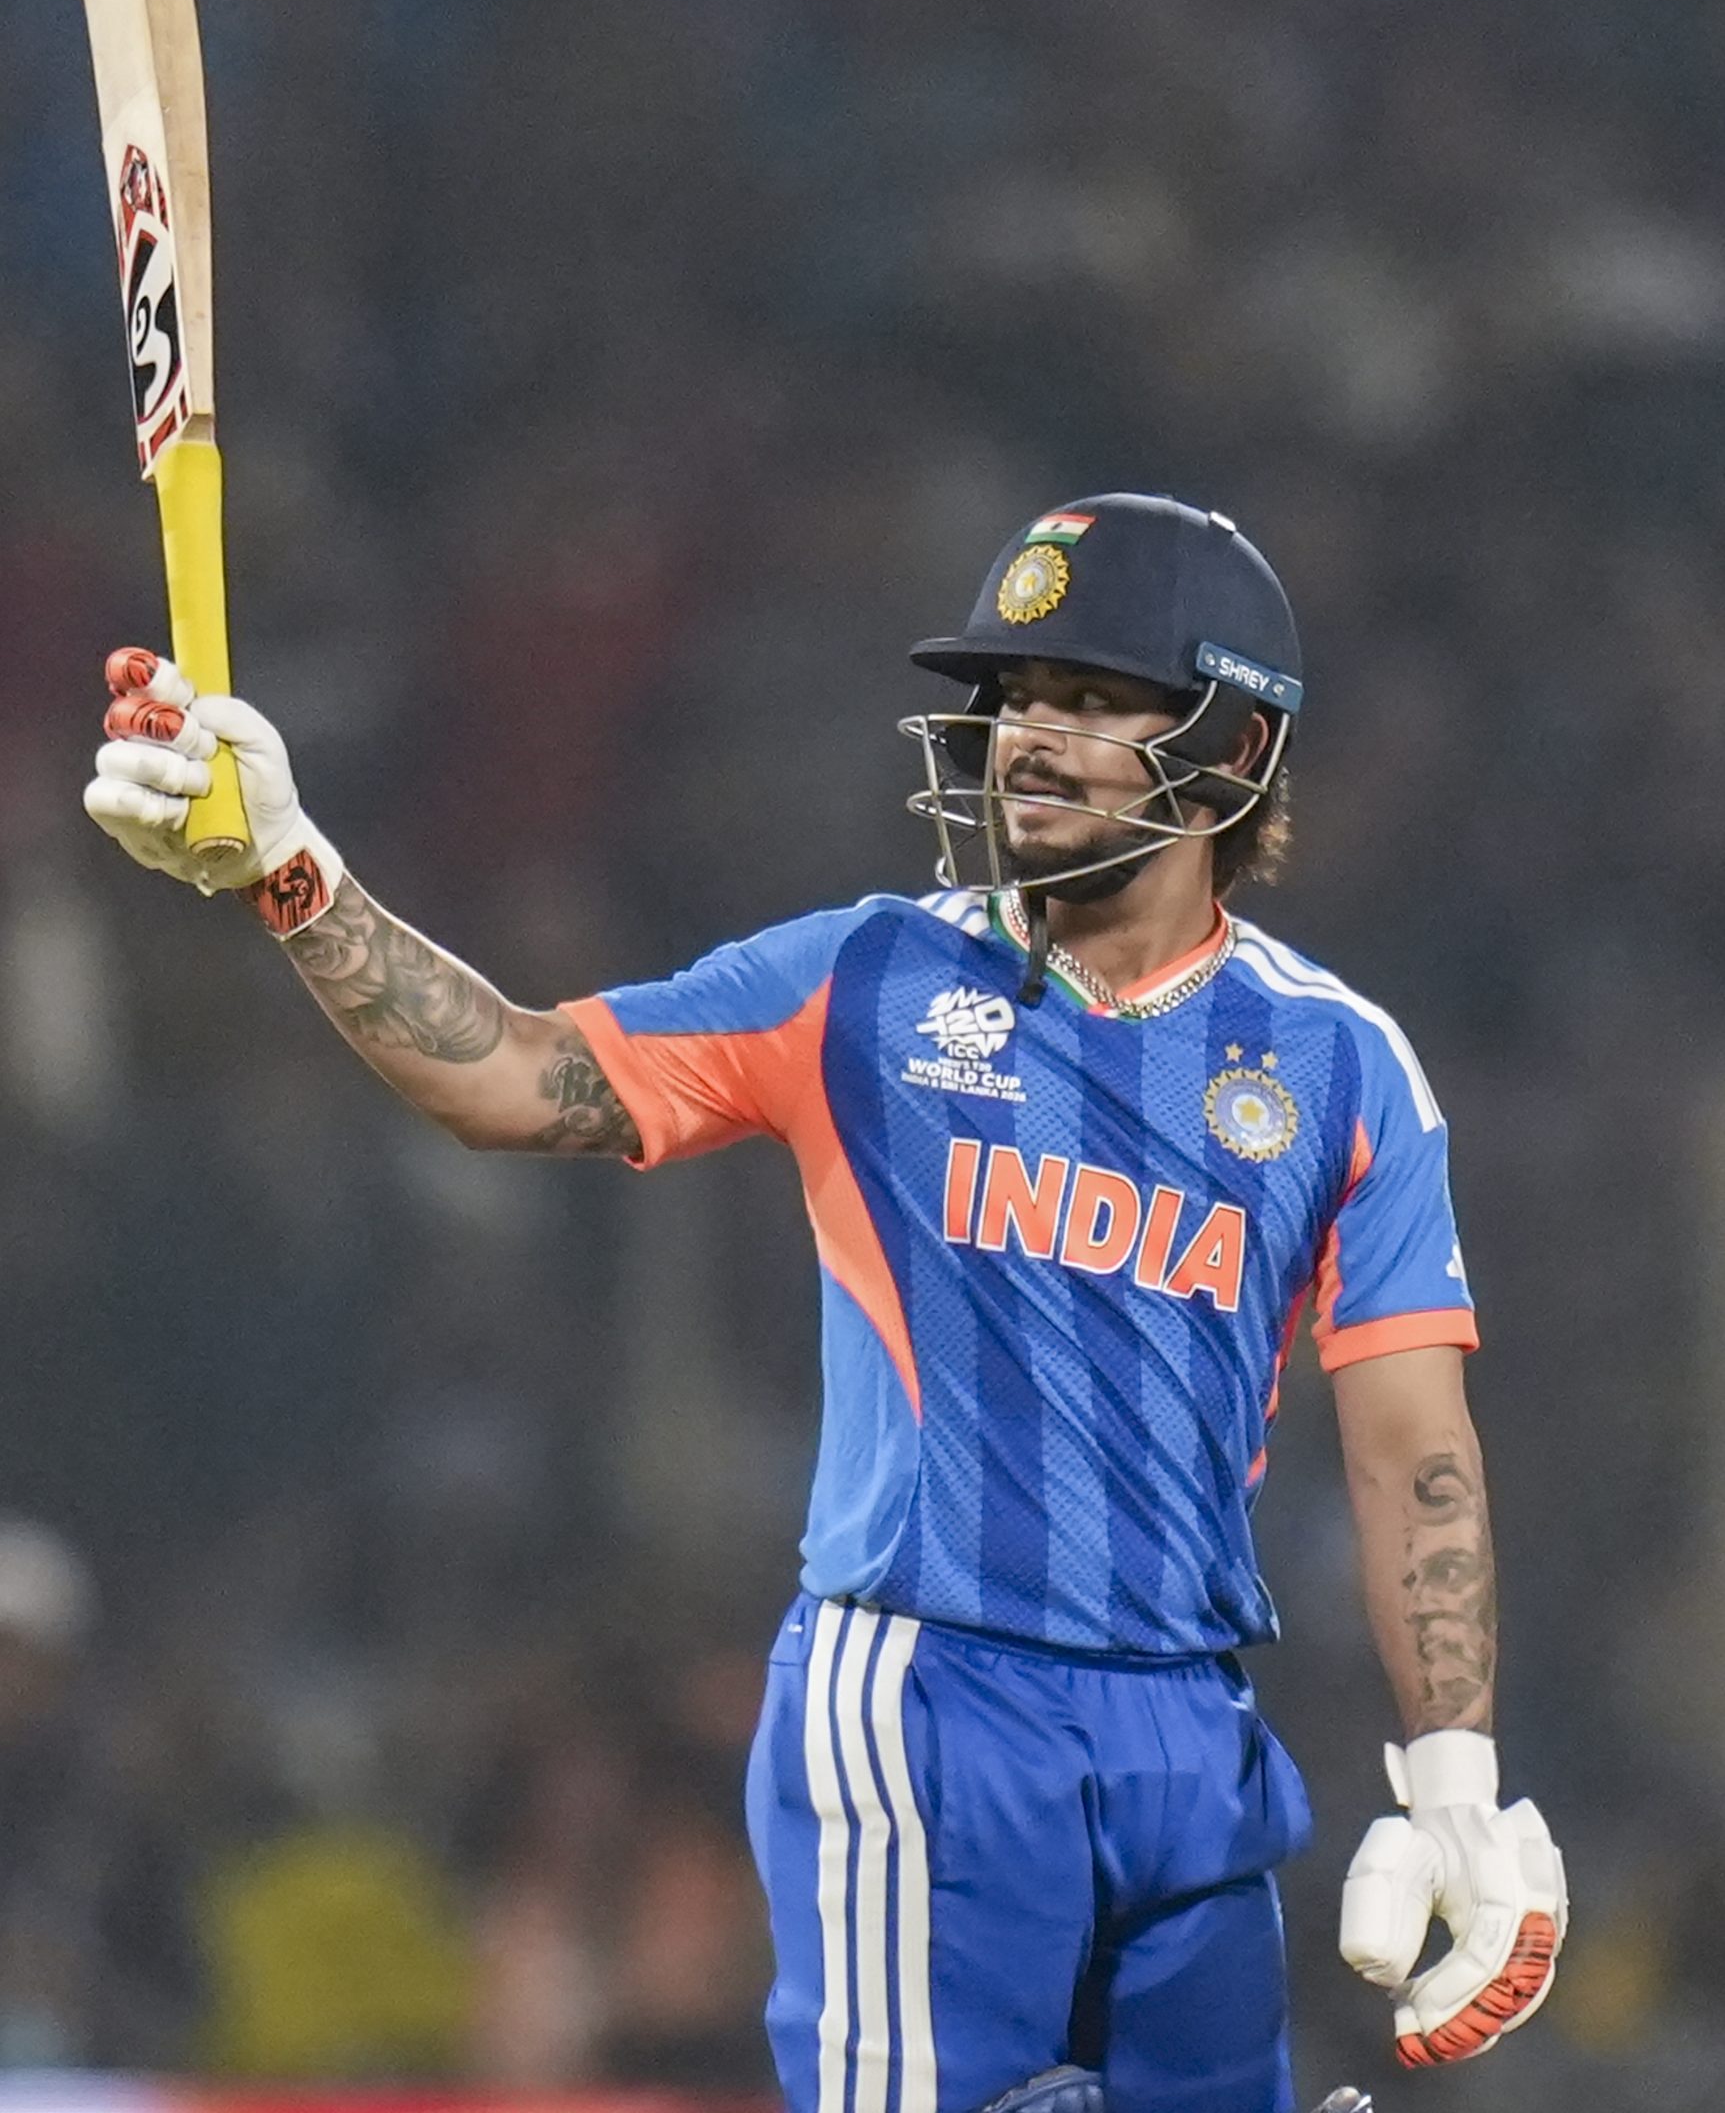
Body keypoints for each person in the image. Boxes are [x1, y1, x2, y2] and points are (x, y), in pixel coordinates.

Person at [83, 492, 1565, 2113]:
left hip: (1191, 1733)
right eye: (1013, 697)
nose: (1026, 737)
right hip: (924, 1701)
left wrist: (1455, 1778)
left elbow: (1413, 1449)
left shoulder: (1340, 1064)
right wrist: (295, 874)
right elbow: (515, 1076)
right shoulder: (867, 981)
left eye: (1086, 696)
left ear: (1233, 743)